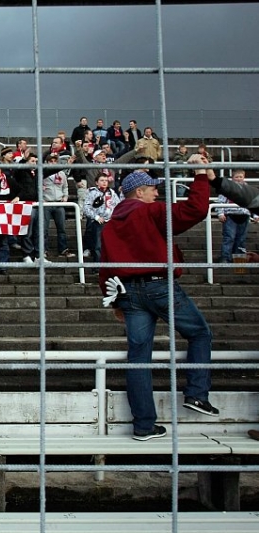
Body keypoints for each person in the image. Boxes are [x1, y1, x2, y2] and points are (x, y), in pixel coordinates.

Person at [99, 156, 220, 442]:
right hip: (159, 285)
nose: (157, 192)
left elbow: (104, 267)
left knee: (138, 358)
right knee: (200, 333)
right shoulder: (150, 211)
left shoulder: (110, 225)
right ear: (139, 192)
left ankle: (143, 425)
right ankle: (197, 394)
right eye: (153, 188)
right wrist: (200, 174)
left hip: (127, 292)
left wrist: (114, 302)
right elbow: (195, 210)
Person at [215, 169, 257, 263]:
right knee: (229, 237)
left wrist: (255, 215)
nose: (239, 179)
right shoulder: (227, 189)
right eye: (236, 177)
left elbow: (254, 203)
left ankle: (239, 258)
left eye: (240, 177)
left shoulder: (248, 190)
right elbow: (220, 202)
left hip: (244, 215)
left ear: (244, 177)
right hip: (230, 215)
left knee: (241, 239)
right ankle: (225, 257)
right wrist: (220, 213)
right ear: (232, 178)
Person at [82, 173, 120, 264]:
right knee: (98, 246)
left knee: (111, 245)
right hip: (98, 223)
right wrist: (96, 217)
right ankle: (97, 267)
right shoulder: (92, 193)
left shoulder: (112, 193)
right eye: (102, 180)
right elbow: (86, 207)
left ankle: (110, 266)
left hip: (111, 222)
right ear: (96, 182)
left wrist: (115, 217)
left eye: (106, 180)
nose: (104, 182)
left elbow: (118, 205)